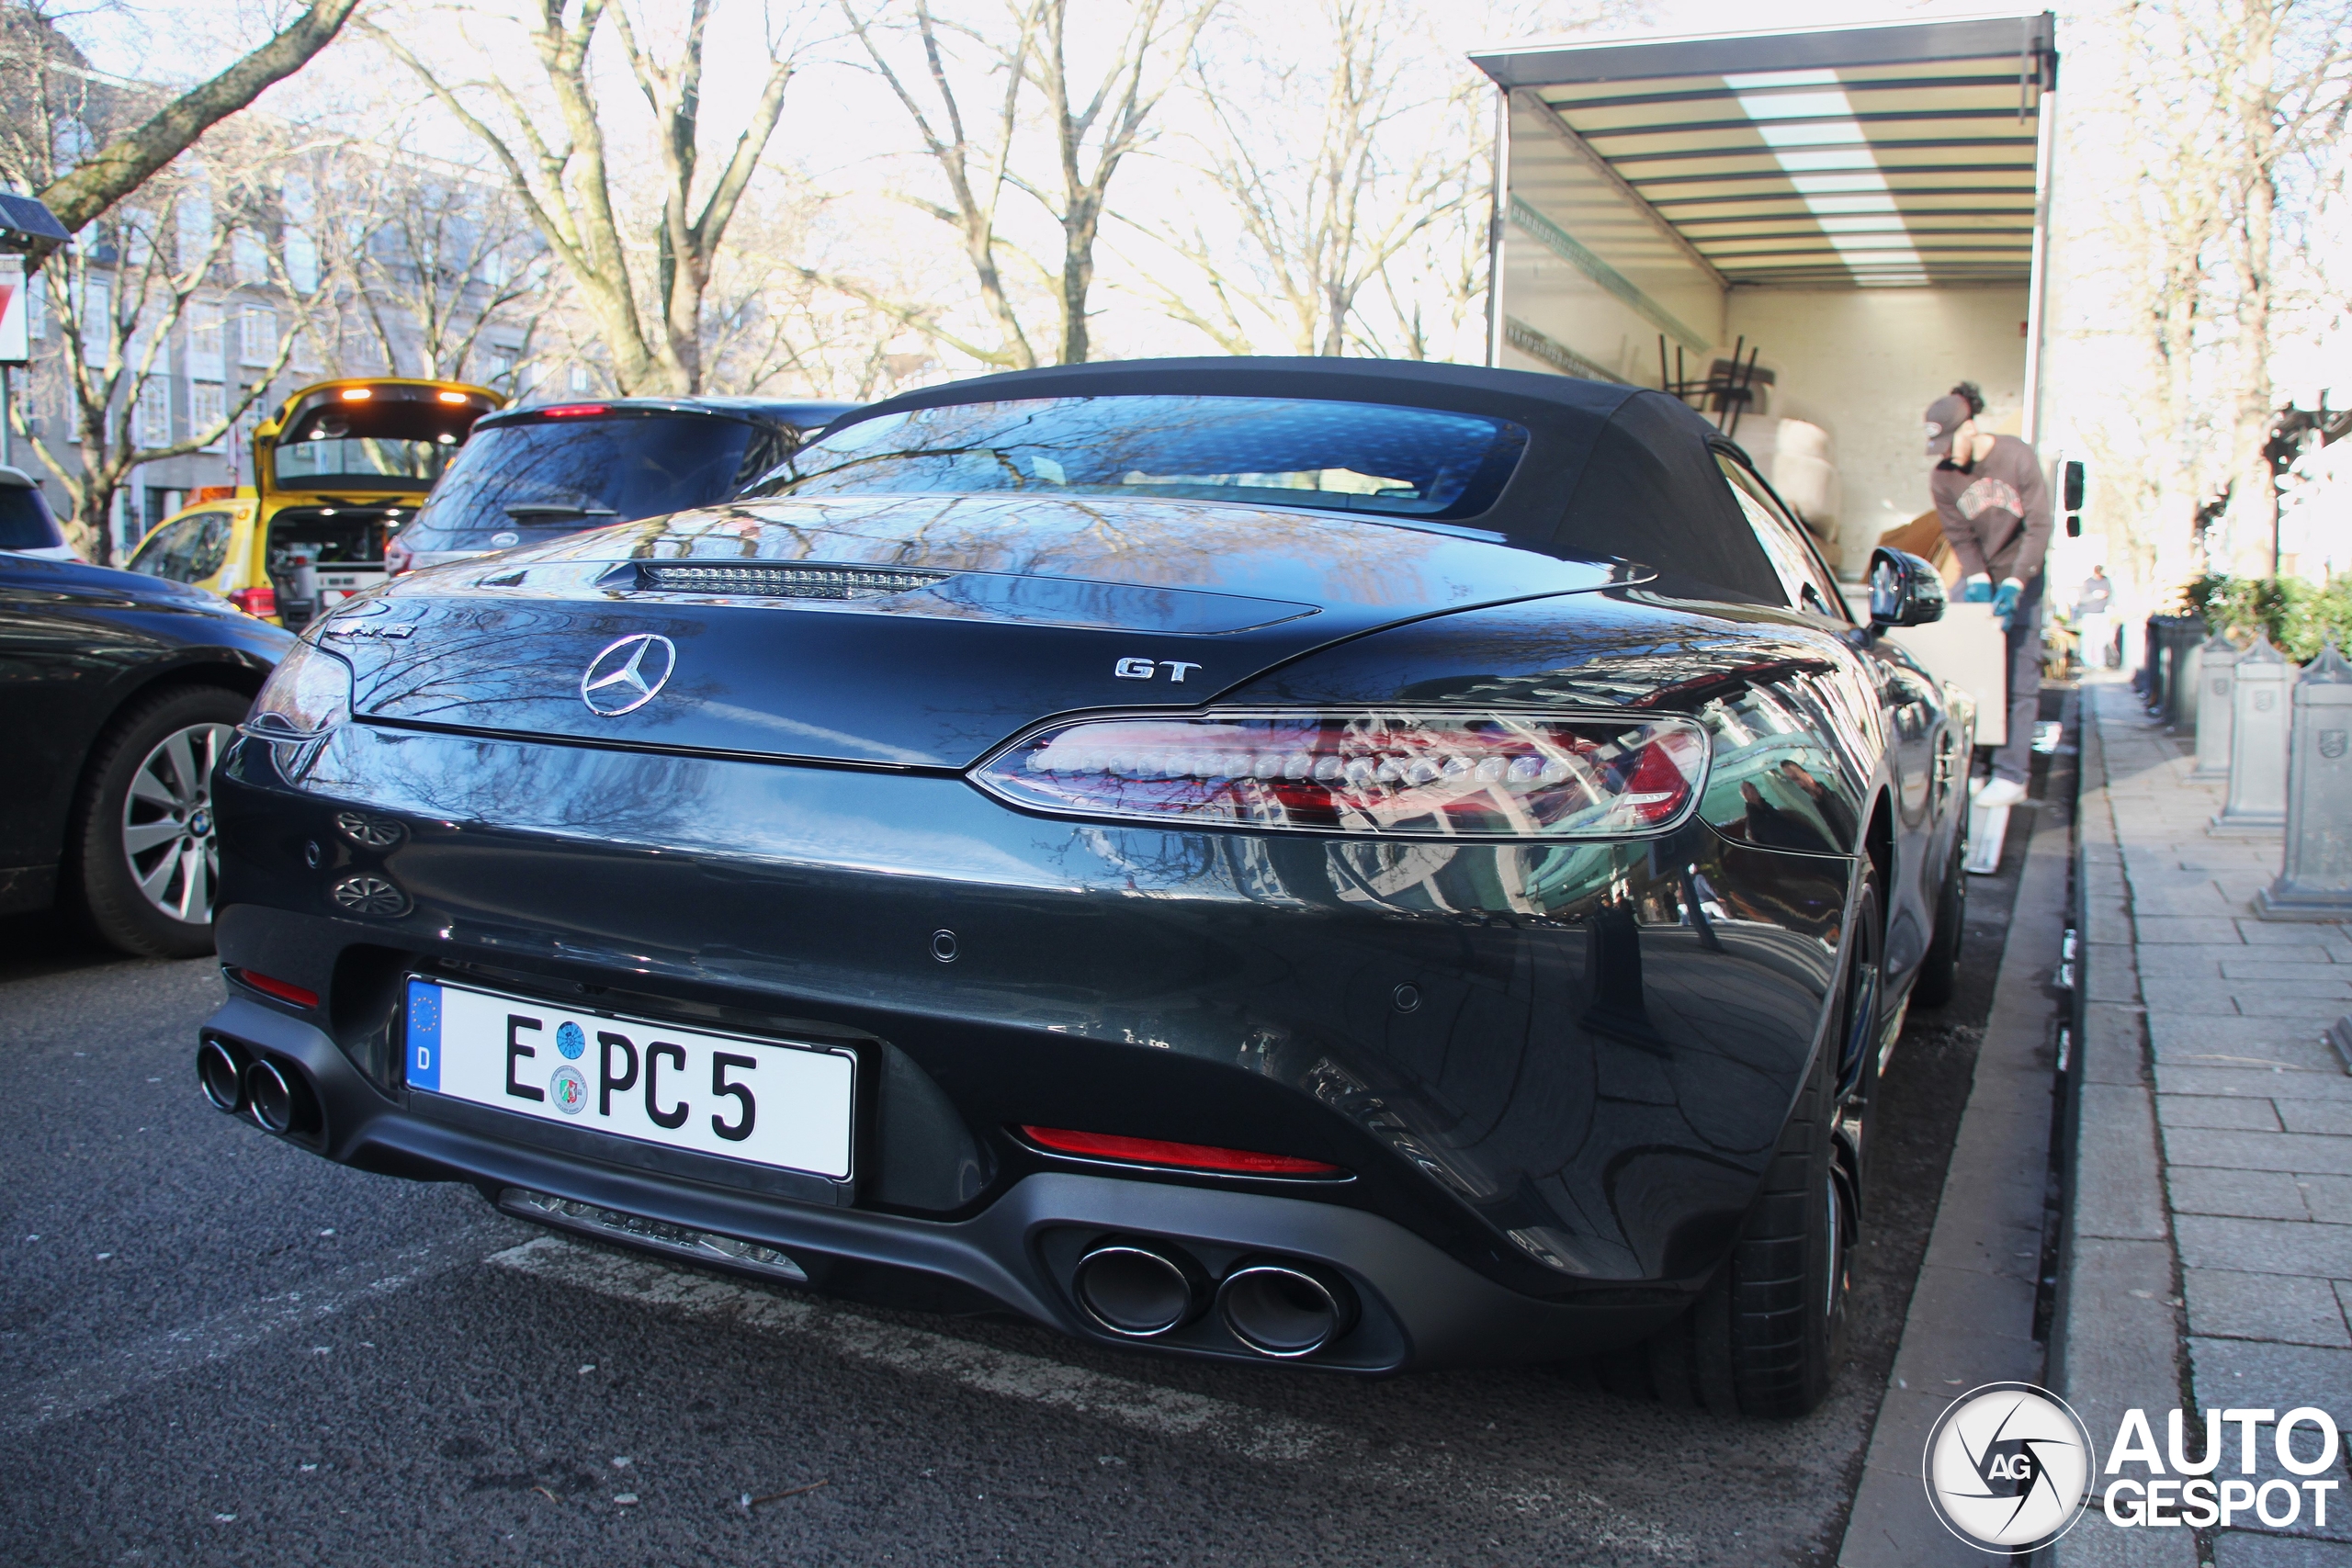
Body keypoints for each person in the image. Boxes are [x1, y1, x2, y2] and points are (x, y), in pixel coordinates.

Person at [1924, 381, 2052, 809]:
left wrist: (2016, 582)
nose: (1945, 453)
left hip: (2022, 571)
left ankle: (2012, 775)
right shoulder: (1943, 478)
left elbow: (2039, 527)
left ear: (1970, 427)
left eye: (1948, 442)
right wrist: (1977, 577)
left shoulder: (2016, 457)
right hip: (1981, 572)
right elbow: (1959, 535)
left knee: (2018, 672)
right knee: (1967, 671)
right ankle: (1973, 767)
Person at [2076, 565, 2114, 671]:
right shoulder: (2088, 582)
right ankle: (2087, 661)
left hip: (2102, 613)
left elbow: (2111, 594)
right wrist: (2095, 596)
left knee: (2101, 639)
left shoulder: (2106, 581)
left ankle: (2100, 662)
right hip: (2090, 613)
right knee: (2089, 638)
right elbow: (2082, 598)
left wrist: (2110, 605)